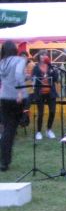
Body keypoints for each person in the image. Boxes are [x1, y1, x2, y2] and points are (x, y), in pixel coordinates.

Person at [0, 40, 27, 171]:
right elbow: (18, 75)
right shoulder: (19, 60)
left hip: (4, 97)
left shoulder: (2, 62)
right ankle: (4, 161)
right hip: (16, 97)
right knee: (10, 130)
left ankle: (4, 159)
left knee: (7, 129)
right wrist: (21, 92)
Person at [32, 50, 59, 139]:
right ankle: (39, 131)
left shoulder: (50, 66)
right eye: (42, 55)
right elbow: (33, 80)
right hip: (40, 93)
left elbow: (55, 79)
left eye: (45, 55)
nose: (43, 56)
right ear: (39, 57)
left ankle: (49, 129)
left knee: (52, 111)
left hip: (50, 92)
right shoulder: (36, 67)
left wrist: (53, 69)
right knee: (40, 113)